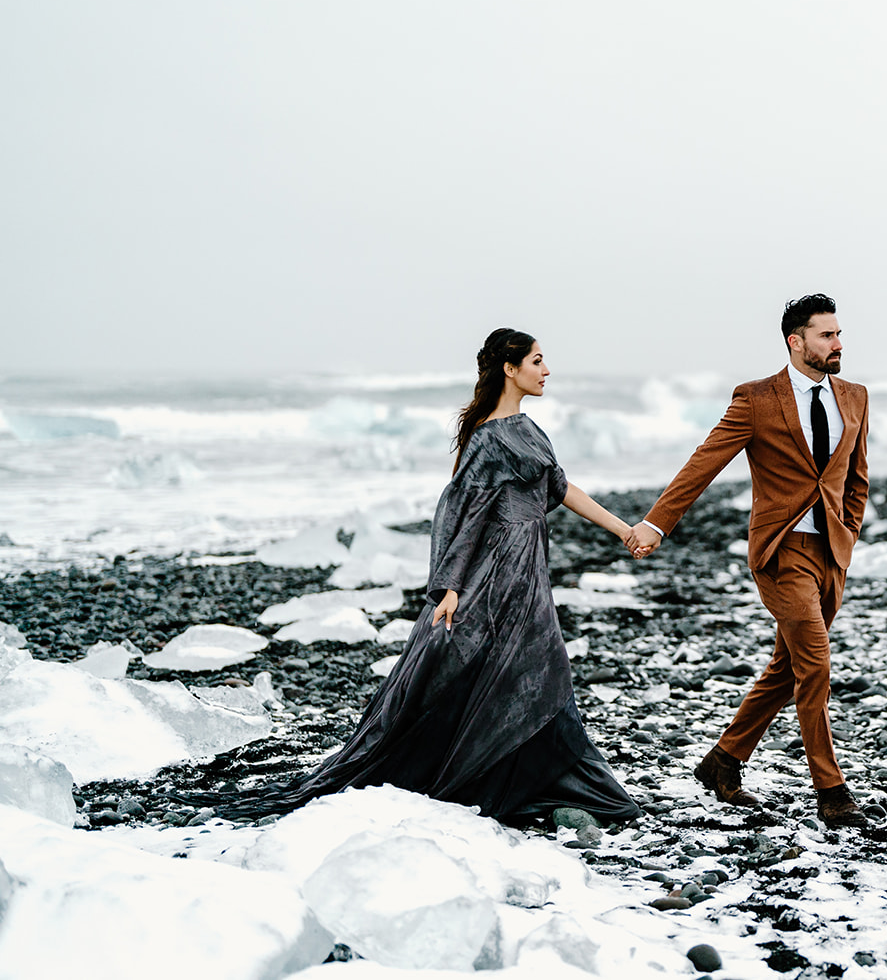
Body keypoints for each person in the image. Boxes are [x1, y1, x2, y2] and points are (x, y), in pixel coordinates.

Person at [214, 329, 641, 826]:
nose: (547, 371)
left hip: (530, 567)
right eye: (538, 361)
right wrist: (450, 587)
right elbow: (460, 516)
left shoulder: (530, 430)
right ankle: (501, 775)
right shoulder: (487, 439)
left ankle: (547, 774)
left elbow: (563, 489)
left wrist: (624, 530)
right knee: (514, 666)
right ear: (510, 368)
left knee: (536, 669)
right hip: (497, 571)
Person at [627, 294, 871, 828]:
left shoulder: (855, 397)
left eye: (838, 334)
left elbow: (857, 476)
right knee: (816, 666)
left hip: (832, 553)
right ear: (796, 341)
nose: (838, 344)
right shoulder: (758, 399)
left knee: (787, 669)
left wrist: (848, 530)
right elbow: (704, 462)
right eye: (826, 335)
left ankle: (722, 761)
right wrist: (655, 522)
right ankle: (831, 791)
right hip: (780, 554)